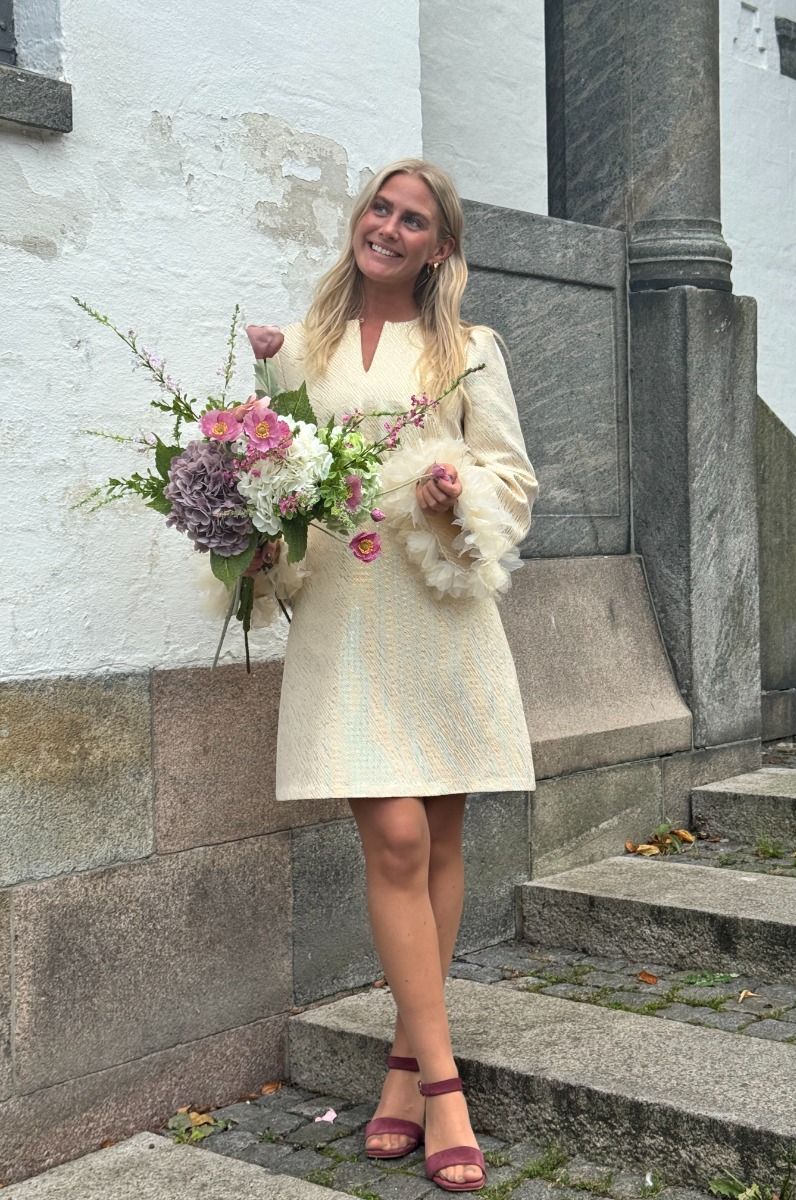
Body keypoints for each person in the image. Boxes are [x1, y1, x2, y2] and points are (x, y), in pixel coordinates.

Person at [246, 159, 538, 1192]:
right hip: (344, 615)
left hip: (435, 605)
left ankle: (407, 1068)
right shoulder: (297, 348)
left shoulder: (468, 349)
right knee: (399, 836)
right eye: (381, 207)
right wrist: (250, 532)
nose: (389, 226)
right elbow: (272, 477)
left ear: (438, 248)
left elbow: (513, 476)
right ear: (360, 219)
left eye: (414, 220)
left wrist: (460, 491)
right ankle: (447, 1086)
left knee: (441, 836)